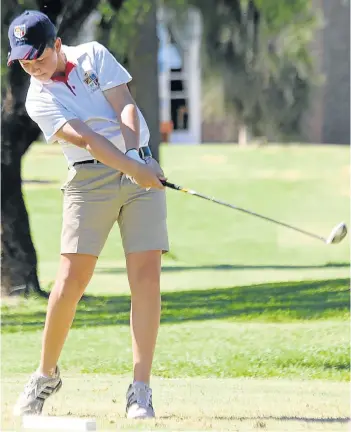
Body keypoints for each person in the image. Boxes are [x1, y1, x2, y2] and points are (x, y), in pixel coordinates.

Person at [8, 10, 169, 420]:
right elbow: (91, 140)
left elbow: (126, 107)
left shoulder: (94, 56)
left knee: (147, 276)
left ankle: (140, 389)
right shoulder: (37, 97)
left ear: (57, 45)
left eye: (38, 57)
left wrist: (137, 157)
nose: (33, 67)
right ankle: (45, 375)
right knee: (69, 282)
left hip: (139, 161)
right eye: (24, 61)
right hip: (88, 179)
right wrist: (135, 170)